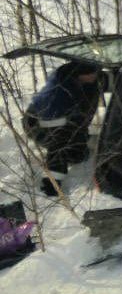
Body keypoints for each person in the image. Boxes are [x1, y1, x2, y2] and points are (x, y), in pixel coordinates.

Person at [22, 61, 102, 196]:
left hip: (68, 120)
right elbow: (56, 133)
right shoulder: (58, 93)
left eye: (95, 72)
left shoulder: (89, 82)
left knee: (78, 155)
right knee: (61, 146)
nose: (95, 75)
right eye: (91, 73)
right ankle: (51, 186)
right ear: (80, 75)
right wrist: (73, 128)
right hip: (39, 123)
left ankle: (73, 152)